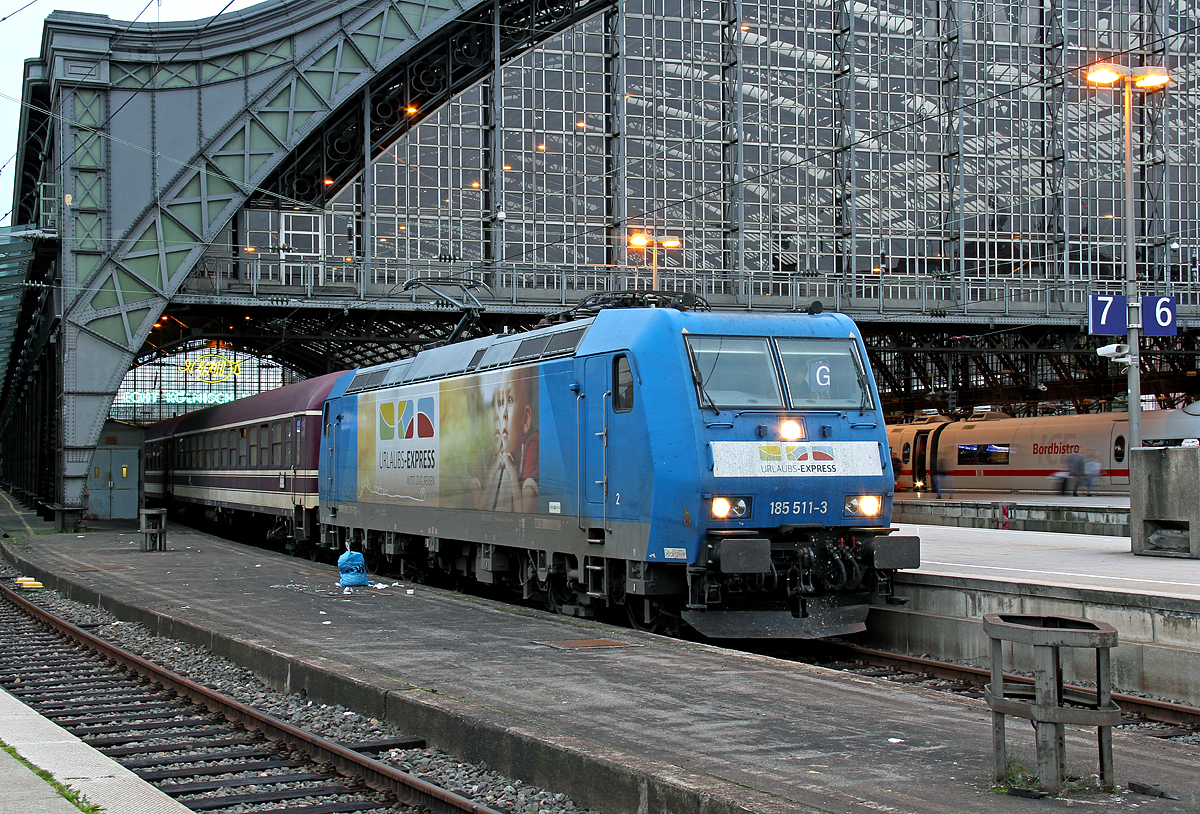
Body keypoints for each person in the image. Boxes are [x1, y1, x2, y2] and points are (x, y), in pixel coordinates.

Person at [480, 367, 539, 512]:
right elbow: (479, 509)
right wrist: (494, 469)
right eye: (498, 404)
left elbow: (525, 518)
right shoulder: (487, 453)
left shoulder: (533, 445)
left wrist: (512, 472)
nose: (501, 414)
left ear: (526, 419)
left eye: (509, 401)